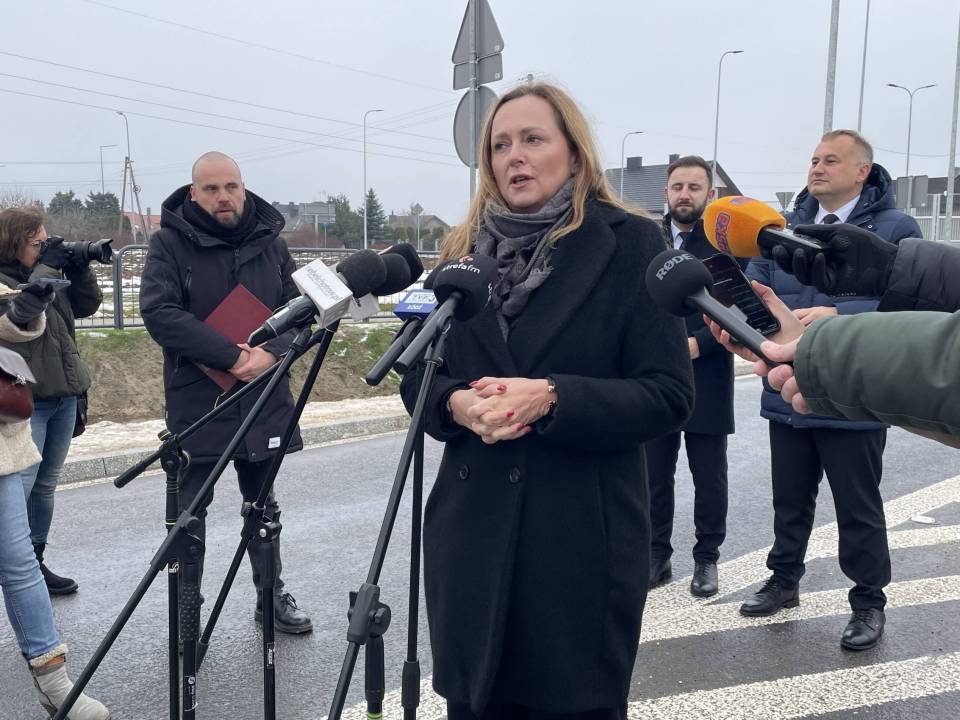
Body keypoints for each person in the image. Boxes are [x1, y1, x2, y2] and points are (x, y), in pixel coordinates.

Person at [399, 83, 694, 720]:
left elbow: (669, 394)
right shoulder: (460, 252)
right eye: (500, 145)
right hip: (471, 542)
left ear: (575, 152)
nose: (515, 156)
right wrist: (455, 406)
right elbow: (416, 375)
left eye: (533, 139)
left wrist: (554, 397)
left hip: (577, 545)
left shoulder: (631, 244)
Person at [742, 129, 922, 651]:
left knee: (857, 504)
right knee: (789, 498)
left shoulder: (895, 229)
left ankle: (868, 600)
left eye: (831, 160)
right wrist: (748, 315)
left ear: (862, 172)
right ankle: (784, 580)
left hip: (852, 389)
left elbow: (908, 302)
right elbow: (757, 284)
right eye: (814, 159)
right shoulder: (782, 228)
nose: (817, 168)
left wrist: (838, 313)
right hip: (786, 386)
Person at [139, 152, 312, 635]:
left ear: (243, 187)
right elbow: (160, 313)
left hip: (263, 395)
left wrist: (271, 353)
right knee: (190, 514)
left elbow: (300, 309)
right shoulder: (168, 244)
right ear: (194, 193)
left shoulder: (272, 245)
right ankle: (187, 609)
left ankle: (270, 596)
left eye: (231, 186)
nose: (223, 197)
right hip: (201, 401)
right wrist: (231, 357)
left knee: (264, 507)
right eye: (211, 189)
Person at [0, 243, 111, 718]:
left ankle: (55, 683)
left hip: (6, 439)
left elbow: (73, 309)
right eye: (36, 240)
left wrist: (26, 307)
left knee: (20, 562)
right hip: (36, 402)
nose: (46, 245)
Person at [646, 155, 737, 597]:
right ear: (666, 192)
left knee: (708, 476)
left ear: (710, 194)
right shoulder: (649, 240)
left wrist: (698, 344)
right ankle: (655, 555)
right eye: (678, 187)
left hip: (708, 375)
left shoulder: (724, 245)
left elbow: (737, 310)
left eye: (694, 187)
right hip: (655, 376)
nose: (685, 195)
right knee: (653, 473)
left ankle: (707, 558)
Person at [0, 206, 101, 596]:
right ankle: (17, 567)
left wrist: (79, 268)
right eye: (36, 243)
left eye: (46, 241)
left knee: (45, 486)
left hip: (64, 395)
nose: (43, 247)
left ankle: (35, 561)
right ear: (13, 242)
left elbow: (87, 305)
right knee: (20, 488)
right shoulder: (5, 283)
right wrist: (48, 267)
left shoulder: (48, 272)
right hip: (26, 401)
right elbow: (23, 313)